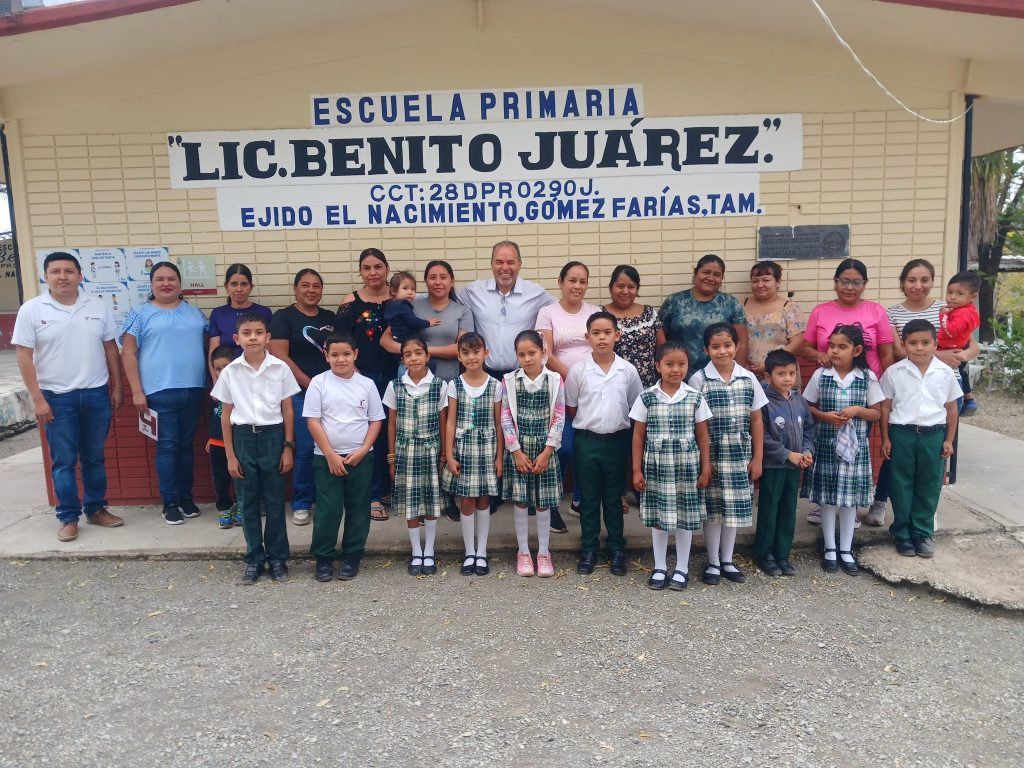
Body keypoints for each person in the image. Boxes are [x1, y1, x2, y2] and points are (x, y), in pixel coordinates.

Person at [13, 251, 124, 542]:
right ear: (46, 276)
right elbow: (24, 355)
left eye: (69, 271)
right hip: (56, 397)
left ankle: (96, 509)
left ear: (80, 275)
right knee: (63, 461)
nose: (63, 276)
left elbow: (111, 348)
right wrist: (37, 398)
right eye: (56, 271)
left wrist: (117, 386)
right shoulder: (32, 310)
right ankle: (68, 516)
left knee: (94, 457)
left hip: (96, 394)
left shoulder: (97, 306)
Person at [457, 241, 555, 516]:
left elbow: (558, 314)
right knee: (493, 436)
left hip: (520, 376)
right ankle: (495, 491)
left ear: (519, 265)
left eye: (511, 262)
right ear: (492, 264)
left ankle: (533, 493)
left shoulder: (536, 293)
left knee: (525, 433)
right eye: (500, 262)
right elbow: (441, 298)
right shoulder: (473, 291)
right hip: (486, 376)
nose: (505, 267)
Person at [801, 258, 894, 527]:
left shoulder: (876, 312)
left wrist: (885, 388)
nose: (849, 287)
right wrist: (821, 355)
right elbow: (806, 347)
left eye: (856, 282)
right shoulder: (821, 312)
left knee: (858, 451)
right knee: (827, 447)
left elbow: (886, 352)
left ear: (864, 284)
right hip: (830, 385)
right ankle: (823, 504)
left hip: (863, 390)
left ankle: (850, 504)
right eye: (844, 281)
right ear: (835, 282)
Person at [212, 312, 300, 585]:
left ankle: (277, 559)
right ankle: (254, 559)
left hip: (273, 437)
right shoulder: (230, 372)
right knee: (248, 502)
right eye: (247, 333)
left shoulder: (280, 368)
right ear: (237, 339)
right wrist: (230, 455)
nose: (253, 338)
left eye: (259, 332)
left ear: (267, 337)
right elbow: (226, 415)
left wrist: (288, 447)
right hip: (243, 439)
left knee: (274, 501)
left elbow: (288, 410)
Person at [121, 261, 208, 525]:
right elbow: (127, 351)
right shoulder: (140, 313)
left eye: (171, 278)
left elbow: (207, 348)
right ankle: (169, 503)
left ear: (180, 283)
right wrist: (137, 391)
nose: (166, 283)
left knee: (185, 446)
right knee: (168, 447)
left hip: (193, 389)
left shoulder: (196, 314)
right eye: (160, 279)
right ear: (151, 284)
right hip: (159, 392)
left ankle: (185, 498)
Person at [564, 311, 642, 577]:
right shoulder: (578, 370)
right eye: (595, 333)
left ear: (616, 336)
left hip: (618, 442)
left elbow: (635, 405)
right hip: (587, 441)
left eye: (607, 332)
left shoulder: (627, 370)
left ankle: (617, 548)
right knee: (588, 498)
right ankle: (589, 549)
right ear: (587, 337)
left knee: (613, 497)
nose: (601, 338)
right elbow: (572, 407)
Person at [802, 324, 884, 576]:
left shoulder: (867, 378)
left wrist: (857, 411)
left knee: (849, 502)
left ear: (857, 350)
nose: (835, 351)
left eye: (842, 347)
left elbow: (877, 412)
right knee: (827, 499)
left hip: (854, 451)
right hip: (826, 445)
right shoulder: (821, 375)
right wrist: (824, 416)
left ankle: (845, 549)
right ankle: (829, 547)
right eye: (832, 346)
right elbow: (808, 407)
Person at [630, 341, 712, 591]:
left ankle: (682, 568)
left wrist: (705, 467)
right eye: (669, 364)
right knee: (660, 517)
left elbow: (702, 436)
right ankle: (659, 566)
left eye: (681, 364)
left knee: (684, 518)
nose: (675, 369)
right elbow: (638, 436)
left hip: (686, 466)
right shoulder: (647, 397)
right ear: (658, 366)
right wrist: (636, 469)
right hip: (656, 466)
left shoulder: (695, 397)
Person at [689, 323, 766, 586]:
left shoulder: (748, 378)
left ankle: (727, 559)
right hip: (711, 454)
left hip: (739, 454)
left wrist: (757, 458)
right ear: (706, 349)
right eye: (715, 346)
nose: (722, 351)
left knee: (732, 508)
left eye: (727, 345)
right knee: (713, 508)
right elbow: (696, 424)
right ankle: (711, 561)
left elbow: (756, 419)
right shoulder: (699, 379)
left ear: (737, 346)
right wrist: (704, 463)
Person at [305, 334, 386, 582]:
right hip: (326, 458)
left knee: (358, 508)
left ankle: (352, 555)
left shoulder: (367, 384)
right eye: (335, 355)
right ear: (326, 356)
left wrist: (363, 449)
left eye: (346, 354)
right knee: (328, 510)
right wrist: (329, 454)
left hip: (360, 457)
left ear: (355, 355)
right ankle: (324, 558)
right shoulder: (319, 383)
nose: (341, 360)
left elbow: (375, 420)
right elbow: (312, 420)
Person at [880, 320, 961, 559]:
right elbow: (885, 406)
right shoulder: (894, 372)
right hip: (901, 434)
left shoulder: (945, 372)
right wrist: (885, 438)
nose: (919, 348)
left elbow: (952, 409)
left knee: (929, 484)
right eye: (913, 343)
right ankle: (903, 533)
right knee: (900, 484)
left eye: (925, 343)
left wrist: (949, 440)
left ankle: (922, 533)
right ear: (903, 345)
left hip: (933, 435)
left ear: (935, 344)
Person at [268, 268, 336, 526]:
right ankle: (302, 501)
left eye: (316, 286)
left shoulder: (330, 317)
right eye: (305, 285)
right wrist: (310, 384)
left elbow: (339, 349)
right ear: (296, 289)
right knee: (308, 446)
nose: (311, 290)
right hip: (298, 393)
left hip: (330, 392)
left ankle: (325, 498)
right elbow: (280, 357)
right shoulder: (283, 317)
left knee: (330, 445)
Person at [536, 261, 601, 525]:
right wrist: (571, 376)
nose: (577, 286)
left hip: (592, 389)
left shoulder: (595, 311)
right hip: (560, 388)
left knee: (588, 448)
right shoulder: (548, 312)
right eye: (572, 280)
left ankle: (579, 500)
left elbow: (602, 346)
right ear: (561, 282)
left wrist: (588, 379)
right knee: (563, 447)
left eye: (583, 281)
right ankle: (551, 502)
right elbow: (545, 353)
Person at [336, 248, 397, 522]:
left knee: (392, 433)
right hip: (363, 376)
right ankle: (371, 495)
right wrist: (356, 376)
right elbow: (341, 342)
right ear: (361, 272)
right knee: (367, 434)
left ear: (387, 269)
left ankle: (388, 489)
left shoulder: (399, 299)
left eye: (378, 267)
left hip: (396, 374)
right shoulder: (351, 302)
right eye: (367, 268)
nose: (373, 272)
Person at [501, 330, 565, 578]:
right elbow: (505, 416)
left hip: (545, 450)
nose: (527, 359)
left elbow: (559, 416)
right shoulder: (509, 381)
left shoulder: (555, 380)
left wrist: (548, 451)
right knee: (520, 500)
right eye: (521, 354)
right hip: (518, 449)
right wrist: (515, 451)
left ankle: (544, 553)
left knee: (543, 502)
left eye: (532, 353)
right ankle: (524, 551)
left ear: (543, 352)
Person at [383, 338, 448, 577]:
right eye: (408, 354)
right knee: (411, 504)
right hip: (405, 452)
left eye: (418, 353)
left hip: (431, 451)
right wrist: (391, 457)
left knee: (431, 501)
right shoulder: (395, 386)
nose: (414, 358)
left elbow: (443, 422)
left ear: (427, 356)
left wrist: (443, 453)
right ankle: (416, 551)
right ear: (402, 360)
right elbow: (391, 422)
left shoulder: (440, 385)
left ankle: (429, 551)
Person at [441, 332, 503, 576]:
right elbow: (450, 422)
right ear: (458, 356)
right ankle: (469, 552)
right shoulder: (454, 385)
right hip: (463, 449)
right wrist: (449, 453)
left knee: (484, 499)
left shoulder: (496, 385)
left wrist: (499, 457)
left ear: (486, 353)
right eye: (465, 352)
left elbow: (499, 424)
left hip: (487, 449)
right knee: (466, 499)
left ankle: (482, 551)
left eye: (476, 351)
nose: (471, 357)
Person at [755, 350, 815, 578]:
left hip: (795, 467)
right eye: (781, 374)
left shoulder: (799, 400)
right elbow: (762, 436)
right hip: (774, 466)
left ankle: (782, 554)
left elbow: (809, 429)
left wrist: (807, 451)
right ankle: (765, 555)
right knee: (770, 510)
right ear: (769, 376)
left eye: (792, 373)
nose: (788, 378)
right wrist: (787, 454)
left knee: (789, 510)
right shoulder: (763, 402)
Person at [381, 260, 474, 384]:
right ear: (426, 281)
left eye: (443, 277)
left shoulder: (463, 311)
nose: (438, 282)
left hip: (449, 382)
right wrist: (409, 350)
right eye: (432, 277)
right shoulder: (410, 307)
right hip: (413, 382)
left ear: (452, 281)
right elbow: (385, 341)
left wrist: (423, 350)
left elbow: (462, 347)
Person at [659, 254, 748, 371]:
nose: (711, 278)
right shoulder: (674, 301)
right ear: (696, 274)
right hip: (679, 373)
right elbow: (659, 337)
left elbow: (741, 343)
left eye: (717, 275)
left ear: (721, 279)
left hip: (719, 375)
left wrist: (738, 375)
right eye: (706, 272)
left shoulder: (731, 303)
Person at [603, 264, 665, 388]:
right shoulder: (601, 314)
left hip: (648, 385)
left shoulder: (649, 313)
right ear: (611, 288)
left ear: (637, 289)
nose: (625, 291)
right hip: (614, 385)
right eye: (620, 286)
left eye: (631, 287)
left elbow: (663, 349)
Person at [743, 261, 805, 376]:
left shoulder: (789, 308)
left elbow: (797, 342)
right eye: (755, 281)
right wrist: (741, 362)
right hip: (747, 372)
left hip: (780, 373)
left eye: (766, 280)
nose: (760, 285)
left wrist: (770, 363)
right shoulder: (742, 306)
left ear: (778, 282)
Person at [206, 263, 273, 368]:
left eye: (244, 284)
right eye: (234, 284)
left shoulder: (264, 312)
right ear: (226, 287)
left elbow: (268, 349)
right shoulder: (218, 314)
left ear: (251, 287)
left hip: (257, 371)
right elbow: (213, 352)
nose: (239, 289)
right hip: (226, 374)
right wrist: (216, 380)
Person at [938, 271, 981, 415]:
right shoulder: (963, 310)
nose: (952, 297)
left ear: (972, 297)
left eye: (959, 294)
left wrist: (943, 316)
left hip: (953, 349)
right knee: (962, 372)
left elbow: (951, 331)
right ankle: (968, 399)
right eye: (949, 292)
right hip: (955, 347)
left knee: (959, 373)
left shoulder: (962, 313)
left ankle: (966, 401)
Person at [208, 345, 240, 529]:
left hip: (238, 439)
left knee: (240, 475)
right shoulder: (215, 390)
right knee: (220, 476)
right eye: (217, 369)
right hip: (217, 441)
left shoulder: (242, 387)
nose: (221, 372)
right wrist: (209, 438)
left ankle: (242, 506)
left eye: (225, 367)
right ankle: (224, 508)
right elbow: (212, 414)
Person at [382, 271, 440, 346]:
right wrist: (428, 322)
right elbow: (413, 322)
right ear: (393, 291)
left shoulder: (390, 304)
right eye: (405, 288)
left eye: (412, 289)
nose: (410, 292)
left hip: (396, 338)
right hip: (406, 340)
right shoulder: (403, 305)